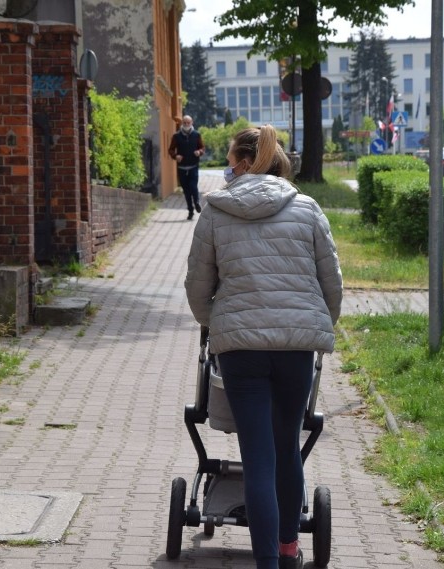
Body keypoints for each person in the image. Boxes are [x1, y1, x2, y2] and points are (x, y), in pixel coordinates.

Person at [184, 125, 343, 569]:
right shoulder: (308, 209)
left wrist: (215, 323)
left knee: (257, 456)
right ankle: (289, 552)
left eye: (230, 160)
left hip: (241, 351)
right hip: (296, 348)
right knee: (287, 447)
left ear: (242, 163)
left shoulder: (215, 212)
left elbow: (199, 287)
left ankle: (268, 563)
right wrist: (319, 325)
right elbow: (332, 282)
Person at [168, 115, 205, 220]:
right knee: (186, 191)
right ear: (182, 124)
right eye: (184, 123)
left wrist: (199, 152)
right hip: (182, 167)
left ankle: (197, 202)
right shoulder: (176, 136)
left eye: (188, 123)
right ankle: (190, 210)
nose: (186, 125)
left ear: (192, 123)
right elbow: (171, 150)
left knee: (193, 186)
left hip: (193, 165)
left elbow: (202, 147)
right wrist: (176, 156)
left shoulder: (196, 135)